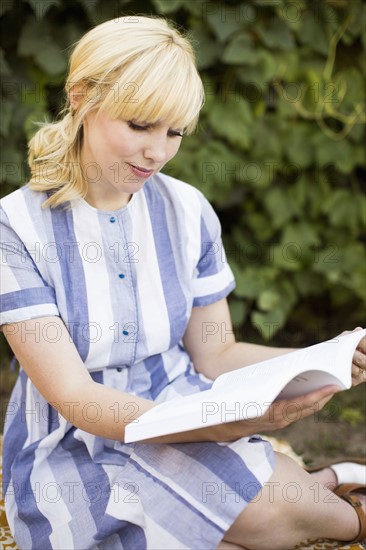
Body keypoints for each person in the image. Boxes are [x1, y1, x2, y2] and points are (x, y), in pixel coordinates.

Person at [0, 15, 365, 550]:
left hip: (183, 411)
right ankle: (332, 489)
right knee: (244, 526)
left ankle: (338, 509)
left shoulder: (186, 209)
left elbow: (216, 355)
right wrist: (210, 426)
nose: (158, 152)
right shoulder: (14, 229)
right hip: (77, 441)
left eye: (174, 132)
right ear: (80, 97)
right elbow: (78, 398)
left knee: (284, 516)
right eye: (140, 125)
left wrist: (324, 357)